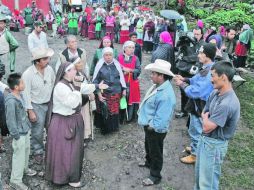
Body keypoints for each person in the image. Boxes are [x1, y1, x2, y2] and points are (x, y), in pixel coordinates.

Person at [194, 61, 240, 190]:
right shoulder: (215, 93)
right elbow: (204, 112)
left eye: (213, 76)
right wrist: (206, 118)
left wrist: (205, 118)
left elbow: (206, 127)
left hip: (214, 145)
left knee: (207, 184)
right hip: (205, 141)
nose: (211, 79)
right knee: (199, 179)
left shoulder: (227, 103)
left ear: (223, 77)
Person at [45, 62, 89, 188]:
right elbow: (73, 104)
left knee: (69, 151)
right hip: (63, 123)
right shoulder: (60, 87)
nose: (75, 71)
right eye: (73, 70)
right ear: (66, 72)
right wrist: (78, 91)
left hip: (68, 121)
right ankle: (64, 178)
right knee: (65, 152)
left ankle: (67, 176)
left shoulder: (69, 84)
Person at [174, 43, 216, 164]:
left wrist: (182, 84)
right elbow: (195, 80)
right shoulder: (206, 68)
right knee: (194, 127)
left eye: (201, 53)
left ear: (208, 55)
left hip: (200, 106)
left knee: (196, 129)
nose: (198, 55)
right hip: (197, 104)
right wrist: (185, 79)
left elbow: (196, 91)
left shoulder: (209, 72)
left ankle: (195, 155)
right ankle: (194, 147)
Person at [138, 59, 176, 186]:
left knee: (156, 152)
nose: (151, 75)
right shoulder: (159, 86)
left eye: (154, 73)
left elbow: (162, 118)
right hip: (149, 126)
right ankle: (149, 163)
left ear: (161, 76)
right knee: (148, 146)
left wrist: (151, 126)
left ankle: (155, 176)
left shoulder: (165, 95)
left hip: (155, 129)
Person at [22, 48, 55, 164]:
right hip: (36, 105)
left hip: (49, 103)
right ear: (37, 61)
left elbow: (54, 85)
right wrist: (30, 111)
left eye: (48, 58)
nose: (48, 60)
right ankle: (38, 151)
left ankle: (50, 149)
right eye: (45, 59)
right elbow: (25, 94)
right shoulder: (28, 74)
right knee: (37, 130)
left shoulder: (49, 69)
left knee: (51, 127)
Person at [5, 73, 37, 190]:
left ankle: (24, 169)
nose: (24, 84)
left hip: (25, 130)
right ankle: (15, 180)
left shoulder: (20, 95)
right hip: (19, 133)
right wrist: (16, 135)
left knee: (26, 151)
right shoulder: (11, 101)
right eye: (22, 83)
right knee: (18, 156)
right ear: (16, 87)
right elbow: (10, 120)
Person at [92, 47, 126, 134]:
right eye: (106, 55)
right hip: (104, 93)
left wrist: (124, 90)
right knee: (105, 111)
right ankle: (105, 129)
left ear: (113, 55)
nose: (108, 57)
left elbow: (121, 79)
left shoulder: (117, 65)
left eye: (110, 55)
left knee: (114, 110)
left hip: (116, 92)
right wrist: (99, 94)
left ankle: (113, 128)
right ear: (103, 56)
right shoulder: (100, 66)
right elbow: (95, 82)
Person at [175, 27, 205, 119]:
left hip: (193, 73)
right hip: (183, 70)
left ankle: (192, 112)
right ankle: (184, 110)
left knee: (192, 92)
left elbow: (197, 57)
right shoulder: (186, 42)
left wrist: (185, 58)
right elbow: (179, 55)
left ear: (202, 35)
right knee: (182, 91)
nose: (195, 36)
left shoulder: (203, 45)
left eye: (197, 34)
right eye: (194, 34)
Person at [118, 41, 141, 123]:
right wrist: (122, 70)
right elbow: (116, 68)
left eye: (133, 48)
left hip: (132, 83)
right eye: (129, 47)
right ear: (124, 48)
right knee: (121, 99)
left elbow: (138, 70)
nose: (131, 49)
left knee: (130, 100)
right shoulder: (119, 57)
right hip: (120, 82)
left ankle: (129, 118)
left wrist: (130, 70)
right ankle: (121, 118)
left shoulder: (136, 58)